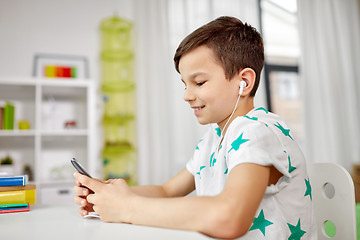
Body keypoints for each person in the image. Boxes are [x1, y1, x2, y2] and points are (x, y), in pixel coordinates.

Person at [74, 16, 316, 239]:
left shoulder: (259, 131)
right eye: (184, 84)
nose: (187, 96)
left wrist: (127, 208)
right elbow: (167, 190)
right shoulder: (214, 138)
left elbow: (230, 217)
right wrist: (108, 196)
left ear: (244, 82)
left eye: (199, 82)